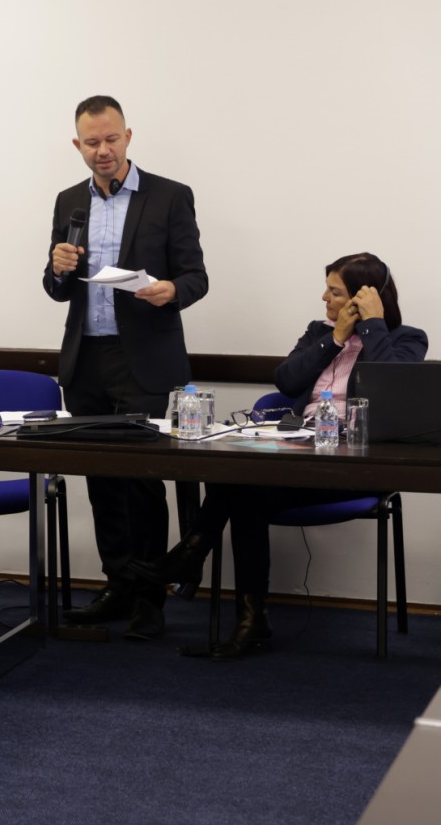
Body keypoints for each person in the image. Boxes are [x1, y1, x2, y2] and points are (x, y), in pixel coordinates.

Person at [126, 253, 426, 659]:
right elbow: (286, 380)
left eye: (335, 292)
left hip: (356, 468)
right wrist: (336, 338)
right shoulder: (319, 333)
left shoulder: (407, 339)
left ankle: (195, 559)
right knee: (241, 485)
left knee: (241, 488)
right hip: (298, 458)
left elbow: (392, 388)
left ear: (363, 298)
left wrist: (372, 325)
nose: (324, 298)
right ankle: (246, 617)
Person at [43, 95, 208, 640]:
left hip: (144, 361)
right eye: (92, 142)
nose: (103, 150)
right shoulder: (70, 201)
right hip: (86, 358)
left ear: (128, 137)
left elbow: (196, 277)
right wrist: (57, 268)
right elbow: (56, 288)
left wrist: (170, 290)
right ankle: (116, 585)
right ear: (78, 145)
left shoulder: (170, 196)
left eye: (111, 139)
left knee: (141, 483)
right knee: (103, 482)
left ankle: (149, 596)